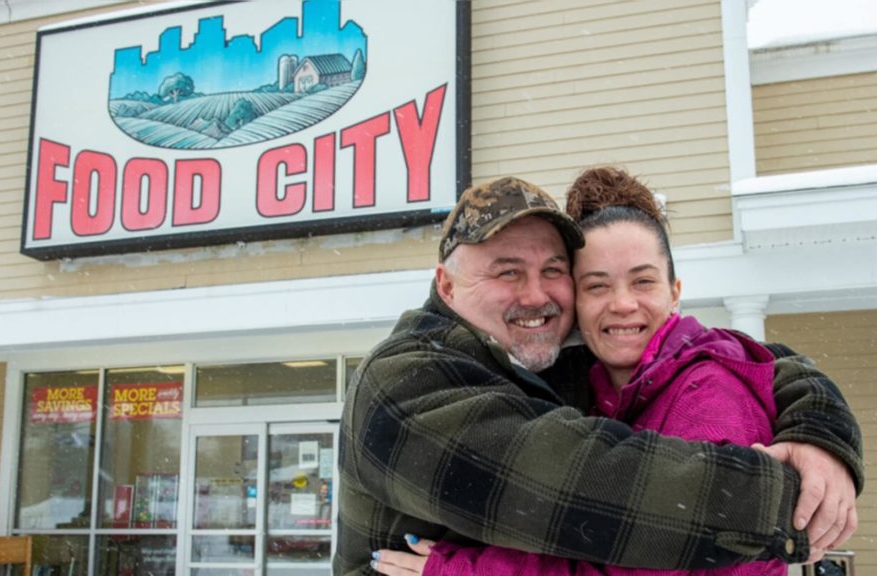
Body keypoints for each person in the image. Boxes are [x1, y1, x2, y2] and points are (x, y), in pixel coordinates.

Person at [335, 176, 863, 575]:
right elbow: (580, 488)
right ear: (446, 286)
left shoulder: (549, 358)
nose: (536, 295)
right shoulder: (404, 381)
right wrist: (788, 500)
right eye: (507, 271)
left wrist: (819, 435)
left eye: (553, 271)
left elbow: (750, 362)